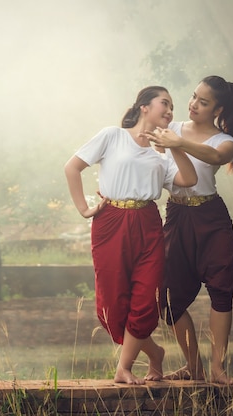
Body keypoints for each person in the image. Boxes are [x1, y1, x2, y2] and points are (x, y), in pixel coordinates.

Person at [64, 86, 198, 385]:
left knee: (144, 301)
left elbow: (189, 179)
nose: (170, 110)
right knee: (110, 310)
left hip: (148, 224)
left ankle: (123, 369)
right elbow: (72, 167)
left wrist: (175, 145)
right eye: (165, 103)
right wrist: (84, 208)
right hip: (110, 222)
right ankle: (155, 353)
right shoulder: (113, 136)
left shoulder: (161, 156)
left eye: (172, 106)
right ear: (144, 107)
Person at [145, 75, 233, 385]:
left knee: (221, 290)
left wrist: (178, 143)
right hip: (176, 215)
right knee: (167, 299)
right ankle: (194, 367)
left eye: (203, 102)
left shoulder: (225, 140)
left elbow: (214, 157)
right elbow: (144, 156)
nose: (193, 104)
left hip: (211, 218)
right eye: (193, 97)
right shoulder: (170, 128)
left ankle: (217, 369)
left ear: (218, 109)